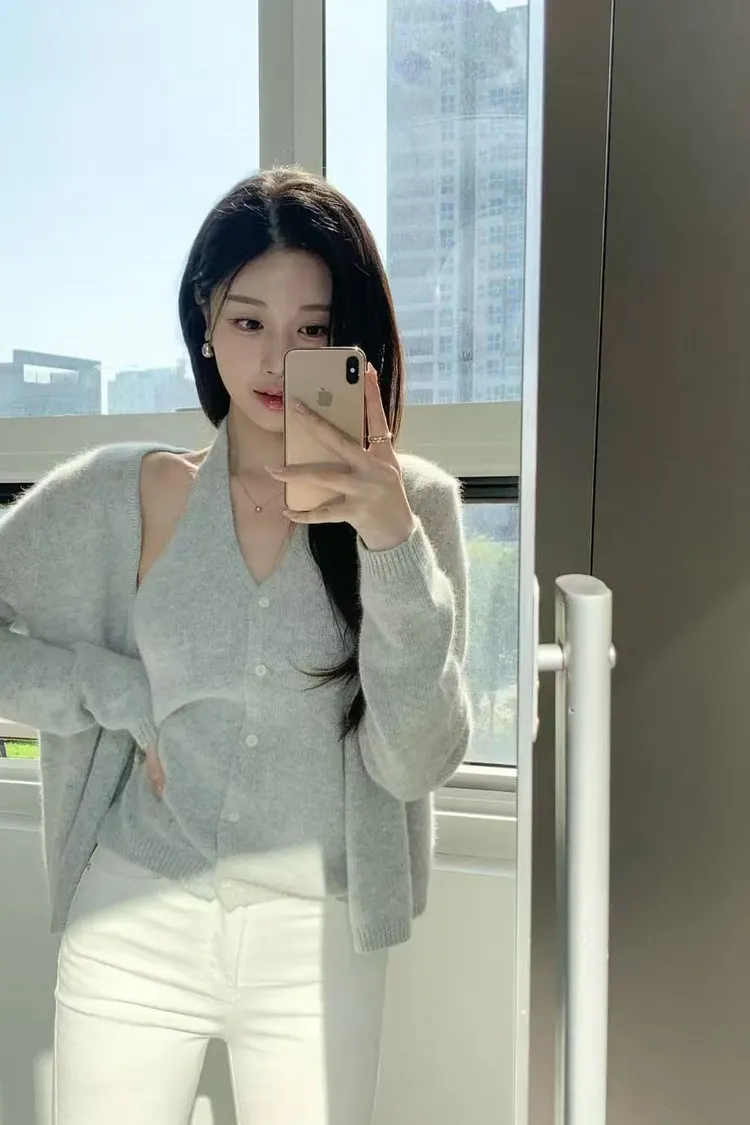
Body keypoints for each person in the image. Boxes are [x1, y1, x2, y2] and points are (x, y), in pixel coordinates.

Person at [0, 167, 471, 1124]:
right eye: (249, 320)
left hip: (318, 939)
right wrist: (106, 687)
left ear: (354, 344)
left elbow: (417, 758)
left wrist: (388, 541)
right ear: (205, 326)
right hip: (134, 916)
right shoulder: (127, 493)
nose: (277, 358)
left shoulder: (413, 507)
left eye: (313, 330)